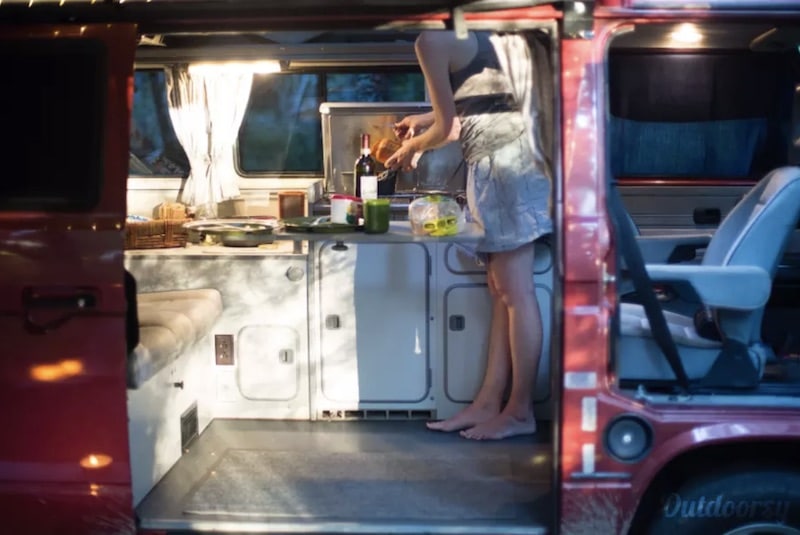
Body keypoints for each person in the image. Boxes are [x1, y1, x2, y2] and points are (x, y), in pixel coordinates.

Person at [384, 30, 552, 441]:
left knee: (516, 292)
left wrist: (411, 148)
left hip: (503, 168)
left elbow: (445, 129)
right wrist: (422, 121)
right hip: (520, 161)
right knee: (502, 290)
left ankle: (519, 410)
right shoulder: (495, 33)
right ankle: (489, 402)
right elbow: (479, 112)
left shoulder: (431, 41)